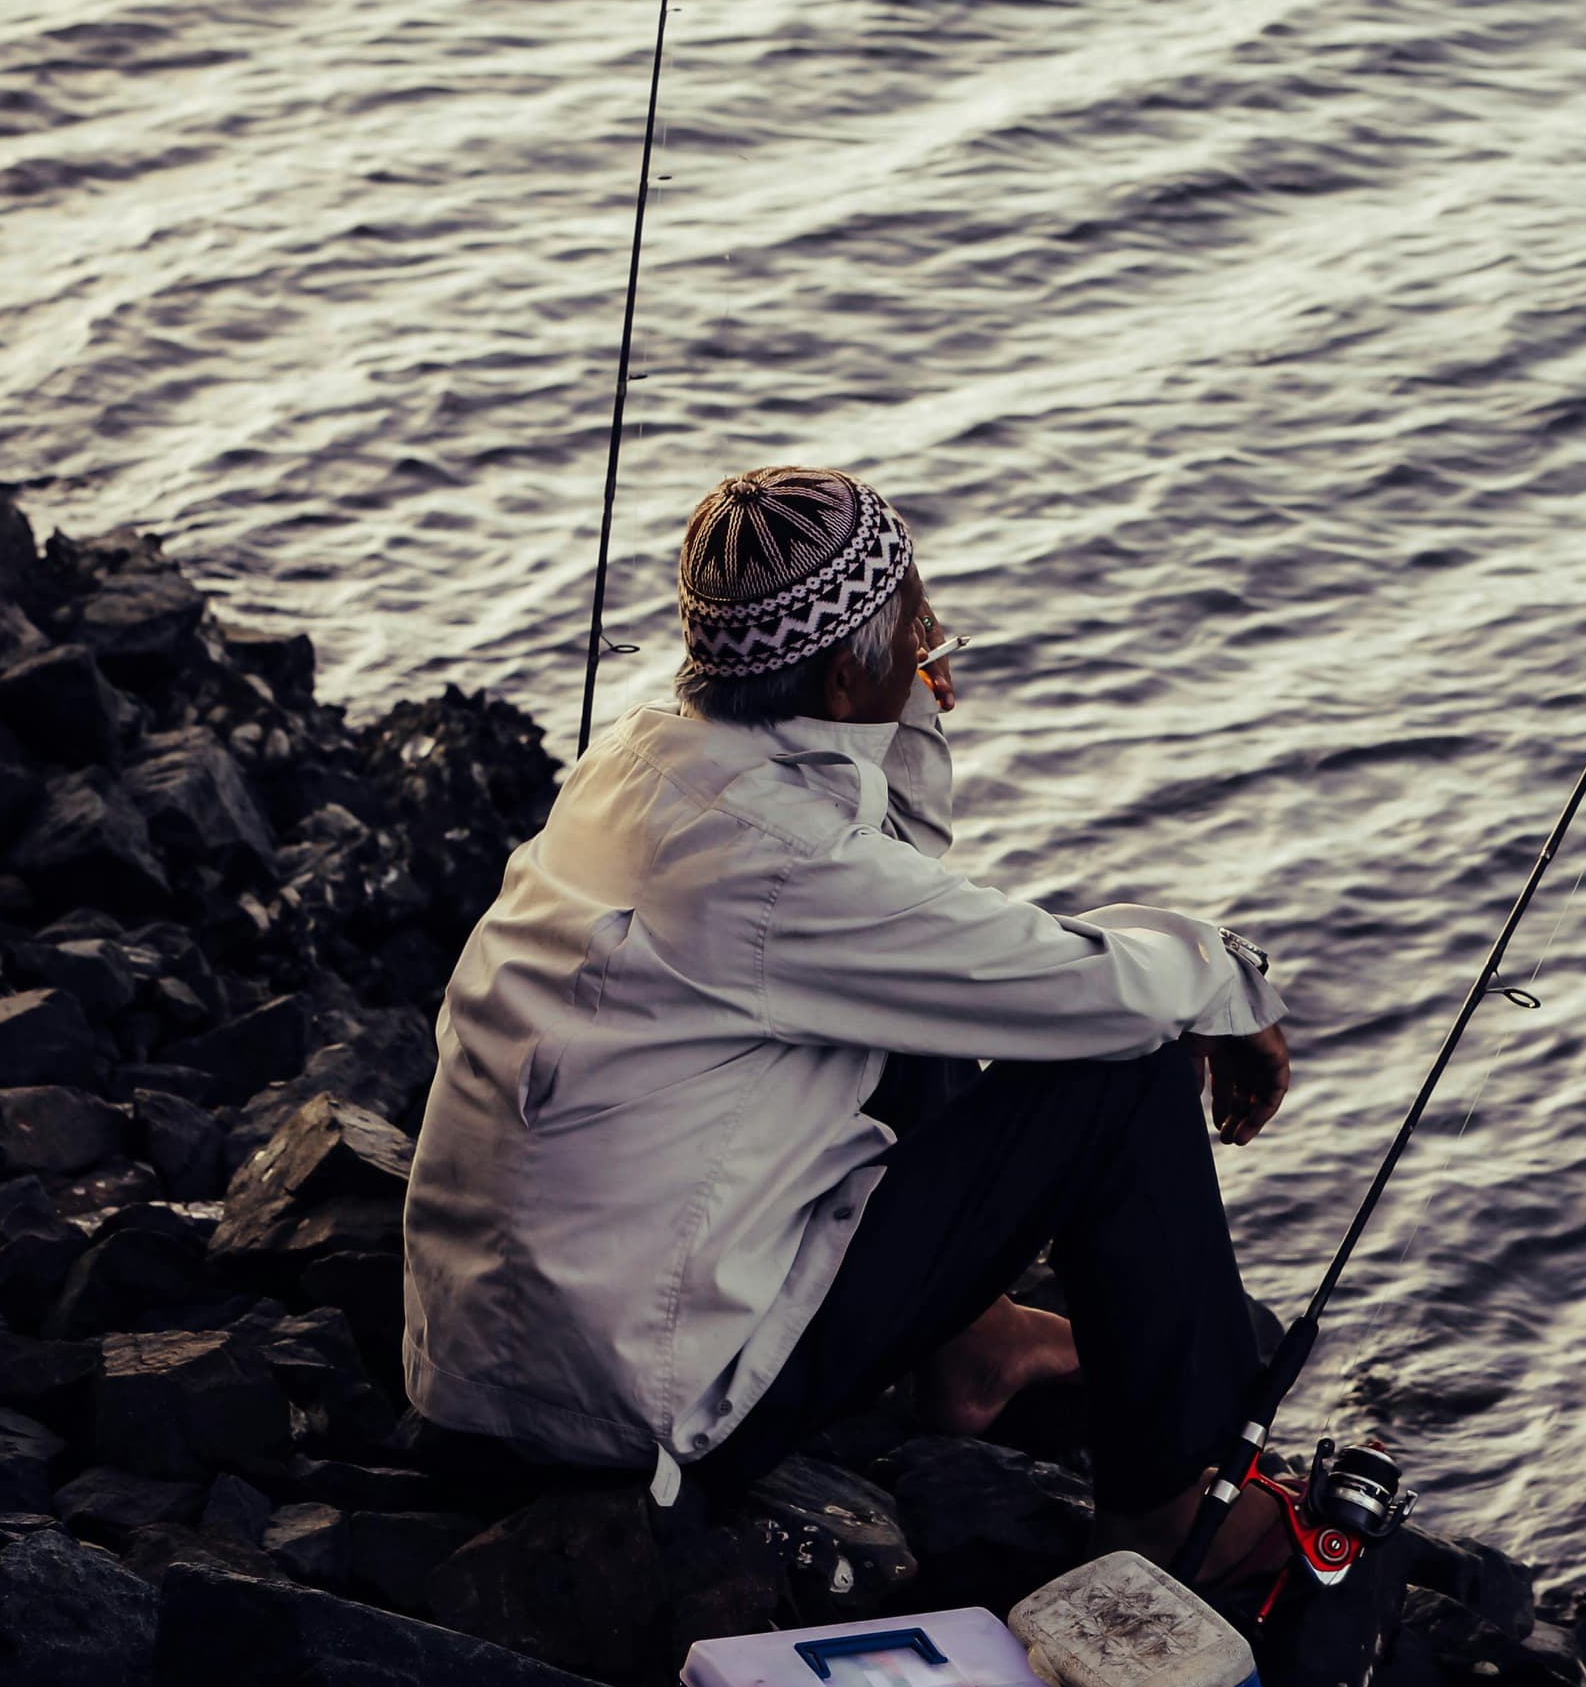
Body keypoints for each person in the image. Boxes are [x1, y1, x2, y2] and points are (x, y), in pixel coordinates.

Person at [400, 463, 1293, 1573]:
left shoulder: (640, 760)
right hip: (640, 1414)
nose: (930, 636)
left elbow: (905, 907)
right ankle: (1167, 1510)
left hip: (483, 1365)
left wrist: (902, 706)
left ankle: (974, 1343)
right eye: (912, 619)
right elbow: (1081, 988)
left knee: (924, 988)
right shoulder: (786, 864)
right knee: (1128, 1068)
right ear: (838, 674)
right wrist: (1228, 978)